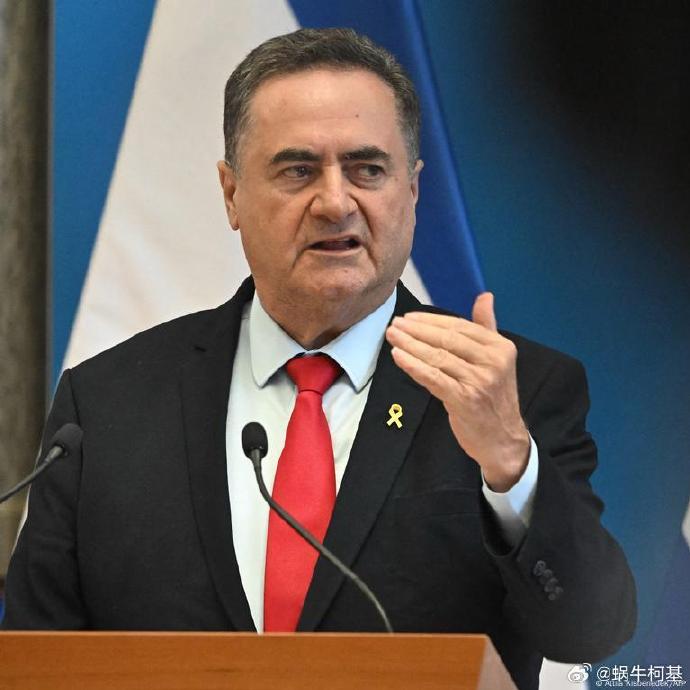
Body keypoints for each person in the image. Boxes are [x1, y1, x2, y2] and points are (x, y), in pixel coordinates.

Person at [2, 28, 636, 689]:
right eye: (298, 170)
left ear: (412, 191)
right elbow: (34, 660)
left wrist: (508, 461)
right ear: (231, 194)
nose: (335, 203)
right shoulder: (105, 405)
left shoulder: (517, 392)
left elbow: (592, 631)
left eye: (368, 169)